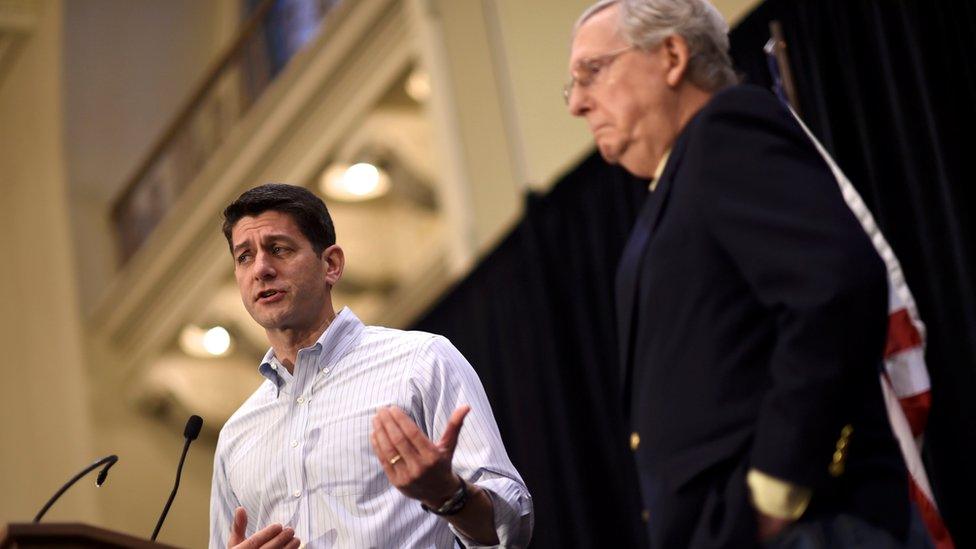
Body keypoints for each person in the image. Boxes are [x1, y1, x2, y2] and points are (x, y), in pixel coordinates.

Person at [567, 1, 918, 547]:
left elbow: (836, 290)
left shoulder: (724, 131)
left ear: (672, 55)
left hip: (812, 527)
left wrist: (777, 487)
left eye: (592, 72)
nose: (579, 104)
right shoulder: (678, 182)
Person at [209, 183, 532, 548]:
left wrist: (449, 496)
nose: (262, 269)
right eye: (244, 257)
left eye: (279, 249)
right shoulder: (235, 437)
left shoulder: (421, 361)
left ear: (330, 264)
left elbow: (512, 526)